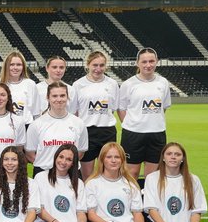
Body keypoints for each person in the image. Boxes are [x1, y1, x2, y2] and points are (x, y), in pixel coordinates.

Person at [118, 47, 173, 179]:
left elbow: (163, 107)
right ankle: (131, 199)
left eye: (151, 61)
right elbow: (121, 108)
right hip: (133, 134)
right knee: (132, 173)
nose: (148, 65)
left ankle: (150, 200)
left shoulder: (163, 83)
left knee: (153, 176)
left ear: (156, 62)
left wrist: (152, 121)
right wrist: (132, 124)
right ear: (137, 63)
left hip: (157, 133)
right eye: (144, 62)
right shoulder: (128, 84)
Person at [71, 50, 120, 178]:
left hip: (107, 131)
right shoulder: (78, 85)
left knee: (109, 173)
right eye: (95, 65)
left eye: (101, 65)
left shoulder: (112, 84)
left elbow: (113, 108)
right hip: (86, 132)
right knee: (88, 175)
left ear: (106, 66)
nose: (98, 69)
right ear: (88, 65)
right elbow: (74, 112)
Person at [25, 82, 88, 175]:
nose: (59, 99)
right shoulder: (36, 124)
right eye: (54, 96)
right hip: (44, 173)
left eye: (62, 96)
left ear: (67, 97)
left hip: (70, 173)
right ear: (48, 97)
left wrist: (64, 167)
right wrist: (48, 167)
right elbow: (30, 154)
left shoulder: (78, 123)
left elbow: (81, 153)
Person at [0, 50, 39, 125]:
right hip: (3, 126)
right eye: (12, 64)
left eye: (19, 65)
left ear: (23, 67)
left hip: (26, 126)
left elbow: (36, 113)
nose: (15, 67)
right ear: (6, 66)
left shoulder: (30, 84)